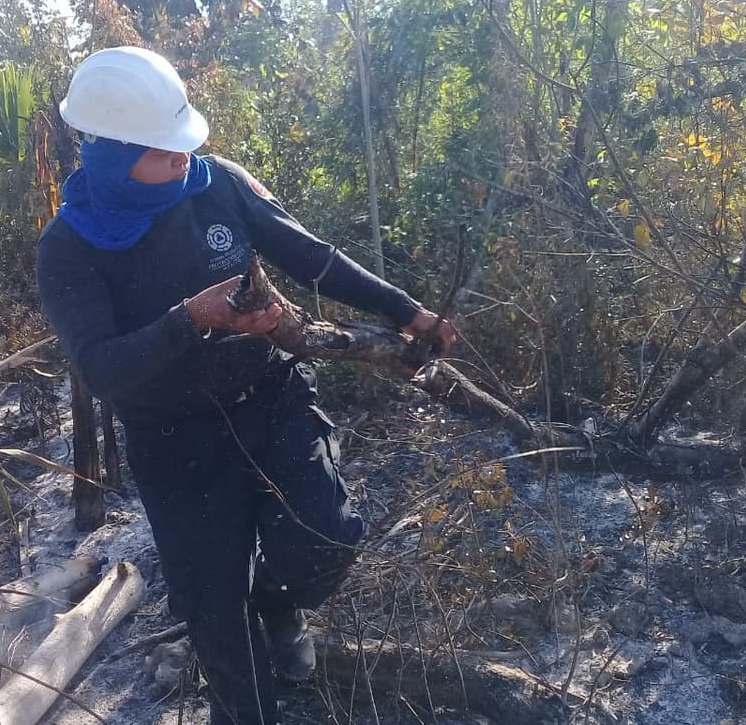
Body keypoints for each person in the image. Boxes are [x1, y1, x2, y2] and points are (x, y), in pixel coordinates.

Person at [36, 46, 455, 725]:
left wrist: (406, 310)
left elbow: (309, 255)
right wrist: (189, 320)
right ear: (112, 152)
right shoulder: (69, 246)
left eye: (182, 143)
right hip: (173, 442)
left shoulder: (215, 183)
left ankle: (278, 604)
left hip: (269, 396)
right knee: (216, 623)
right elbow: (101, 368)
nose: (182, 157)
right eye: (162, 149)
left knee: (327, 535)